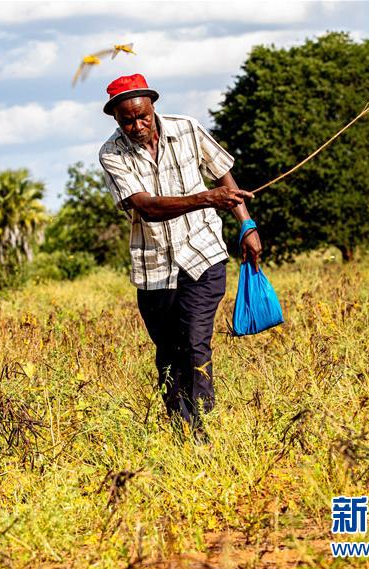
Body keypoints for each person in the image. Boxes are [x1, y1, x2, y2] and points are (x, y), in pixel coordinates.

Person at [97, 73, 262, 439]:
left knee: (195, 340)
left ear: (153, 105)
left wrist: (246, 225)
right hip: (154, 266)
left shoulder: (186, 128)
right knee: (168, 352)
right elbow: (146, 207)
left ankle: (204, 424)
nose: (137, 125)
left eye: (142, 116)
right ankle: (180, 427)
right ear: (115, 118)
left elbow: (222, 175)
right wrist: (206, 198)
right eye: (127, 120)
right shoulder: (111, 154)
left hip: (203, 254)